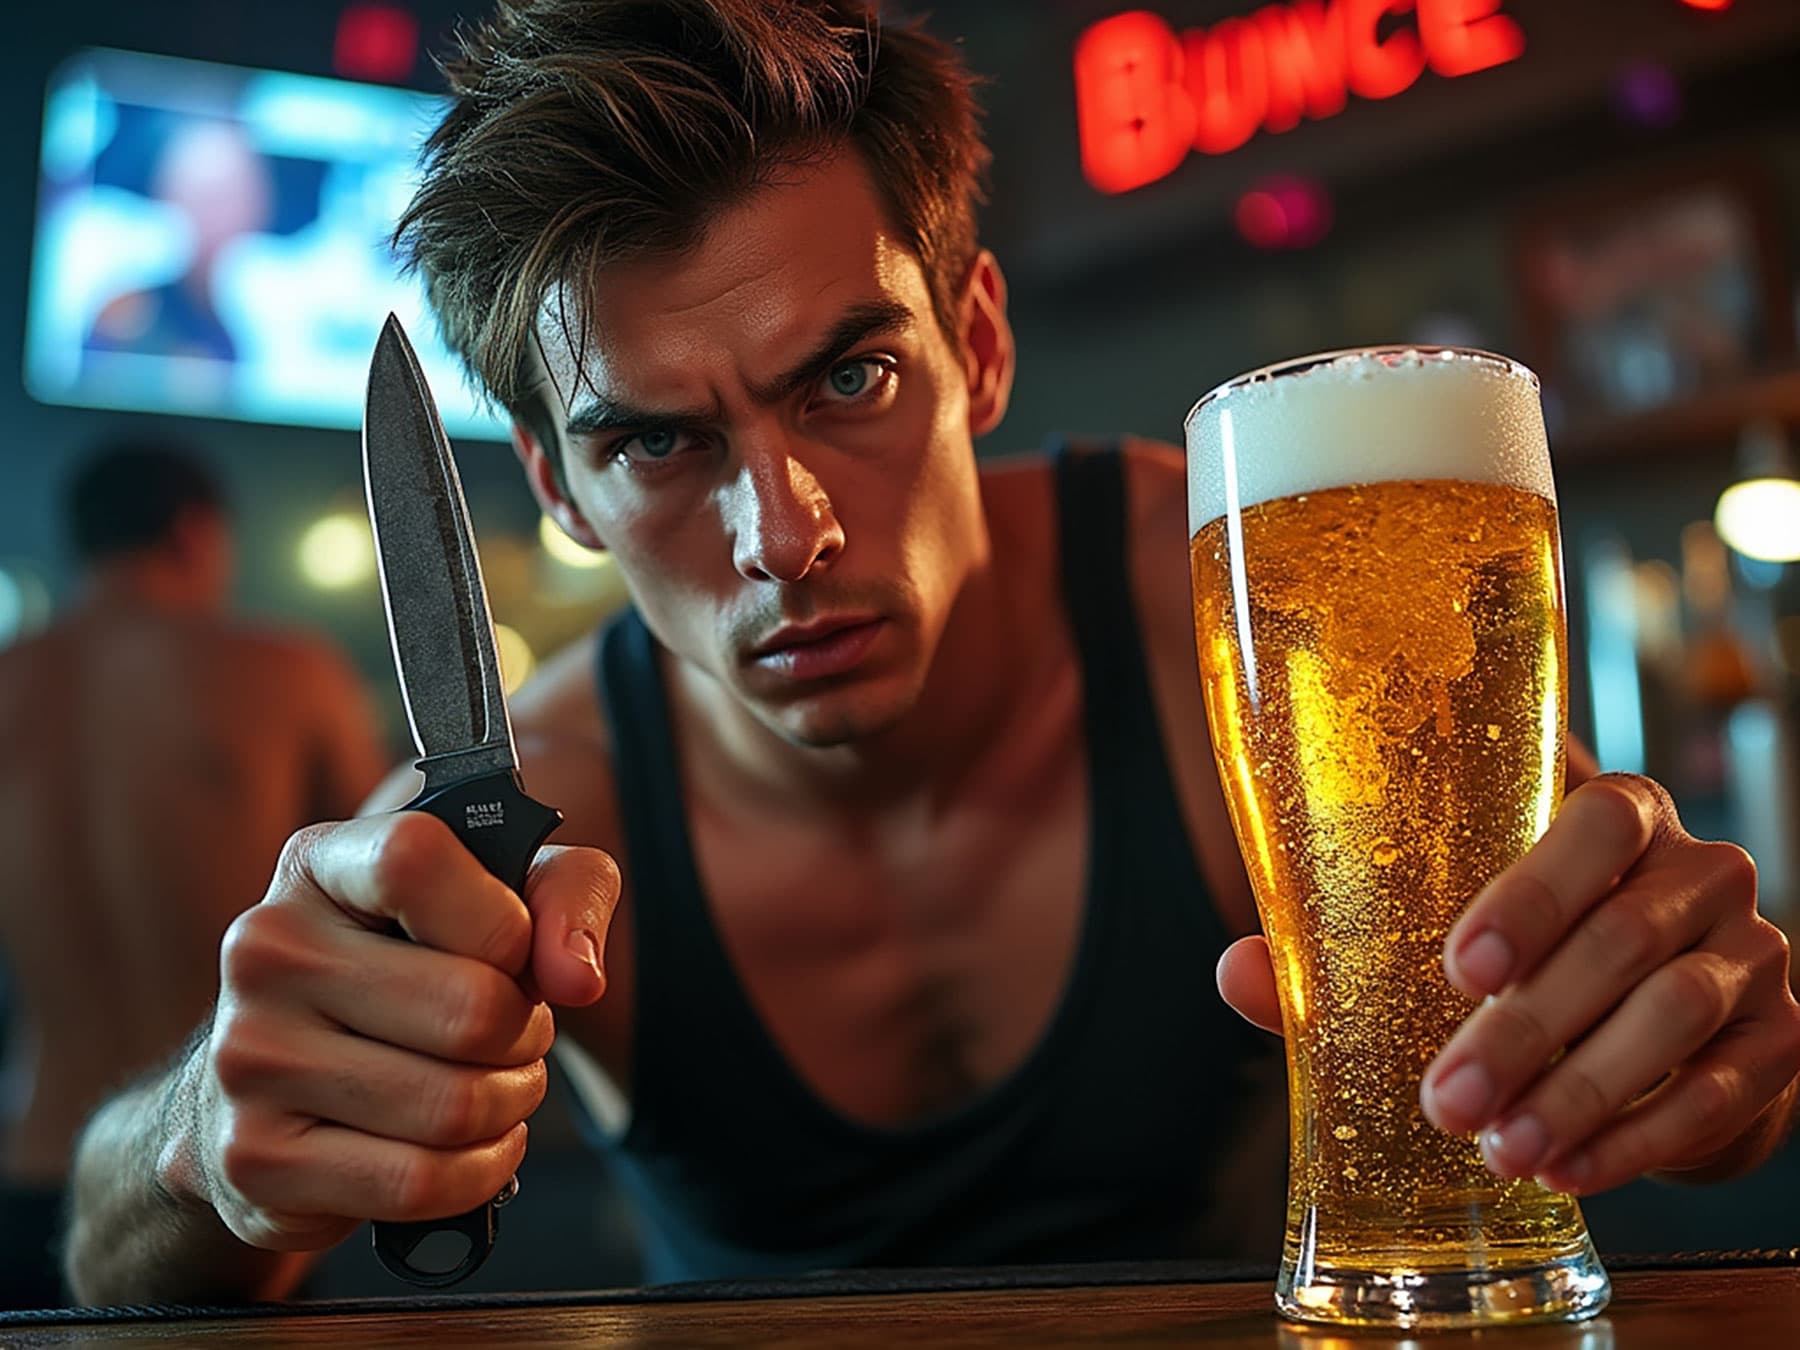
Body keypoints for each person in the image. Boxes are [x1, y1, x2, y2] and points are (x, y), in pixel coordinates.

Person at [65, 0, 1800, 1306]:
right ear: (559, 488)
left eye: (849, 377)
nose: (785, 532)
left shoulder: (1248, 628)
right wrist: (211, 1138)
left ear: (974, 346)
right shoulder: (539, 809)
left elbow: (1615, 1015)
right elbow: (108, 1251)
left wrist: (1699, 1053)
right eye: (659, 444)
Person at [0, 441, 387, 1308]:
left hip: (26, 1159)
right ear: (196, 534)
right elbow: (388, 888)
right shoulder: (288, 673)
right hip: (210, 1168)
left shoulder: (8, 682)